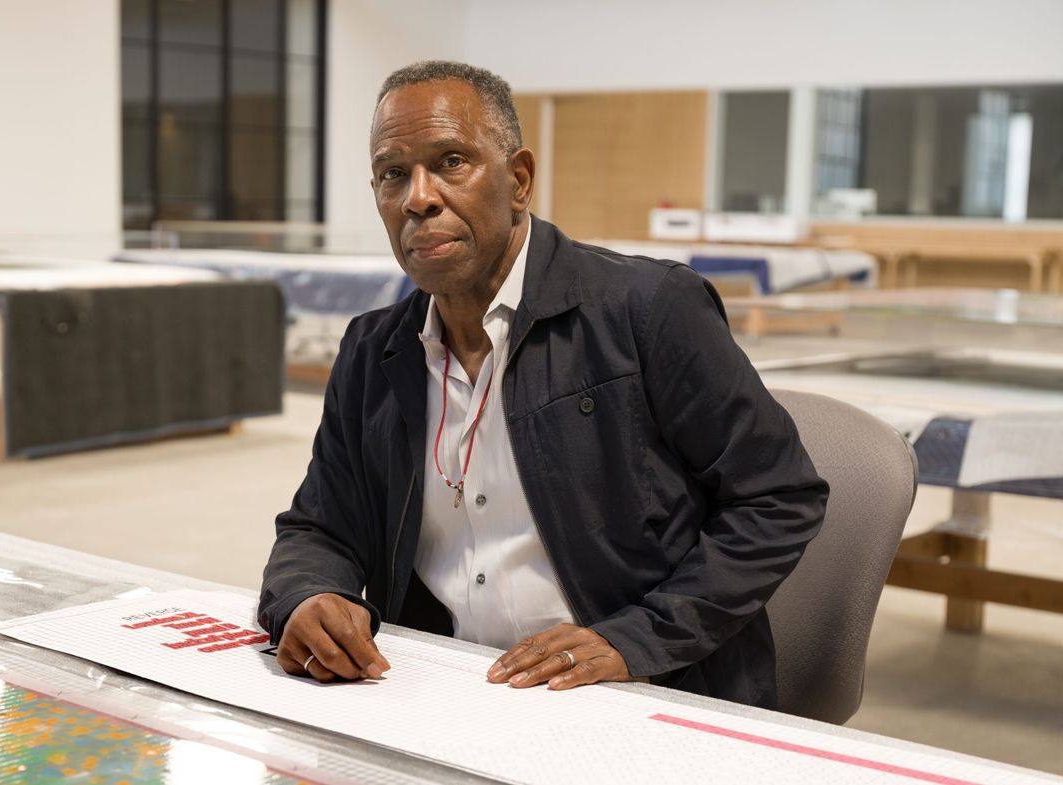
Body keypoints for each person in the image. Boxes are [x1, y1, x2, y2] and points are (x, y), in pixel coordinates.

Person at [258, 60, 828, 707]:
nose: (418, 196)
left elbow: (778, 497)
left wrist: (636, 639)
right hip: (441, 690)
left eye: (450, 161)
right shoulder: (372, 349)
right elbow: (319, 528)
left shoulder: (650, 310)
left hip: (635, 691)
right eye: (394, 173)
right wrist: (308, 593)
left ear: (519, 179)